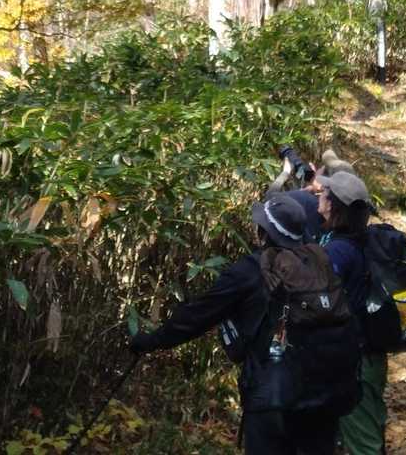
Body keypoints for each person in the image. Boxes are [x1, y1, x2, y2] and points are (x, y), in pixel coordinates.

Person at [128, 191, 359, 455]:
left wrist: (151, 341)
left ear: (263, 233)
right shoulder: (318, 262)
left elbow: (196, 317)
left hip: (273, 398)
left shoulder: (251, 270)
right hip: (326, 393)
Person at [312, 167, 387, 455]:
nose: (319, 195)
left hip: (356, 363)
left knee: (363, 444)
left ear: (333, 206)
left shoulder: (339, 251)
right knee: (360, 433)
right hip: (363, 356)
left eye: (324, 193)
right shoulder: (356, 241)